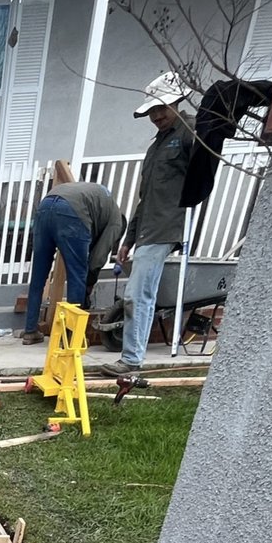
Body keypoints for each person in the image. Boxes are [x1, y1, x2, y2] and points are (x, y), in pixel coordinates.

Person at [114, 71, 195, 372]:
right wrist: (128, 239)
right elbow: (144, 199)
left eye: (162, 108)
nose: (157, 115)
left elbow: (204, 170)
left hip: (167, 226)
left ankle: (132, 360)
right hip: (147, 228)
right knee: (138, 294)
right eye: (152, 110)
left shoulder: (190, 133)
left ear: (177, 103)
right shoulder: (155, 147)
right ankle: (131, 356)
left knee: (137, 295)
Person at [20, 173, 123, 343]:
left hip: (46, 205)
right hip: (72, 211)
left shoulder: (100, 199)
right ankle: (70, 336)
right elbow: (98, 257)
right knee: (77, 277)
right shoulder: (116, 220)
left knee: (38, 276)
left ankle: (30, 331)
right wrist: (89, 283)